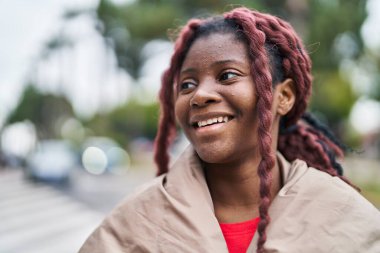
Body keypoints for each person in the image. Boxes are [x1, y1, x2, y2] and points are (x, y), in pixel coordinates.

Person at [79, 7, 380, 253]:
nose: (199, 95)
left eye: (227, 75)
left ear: (284, 97)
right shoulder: (133, 224)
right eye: (187, 84)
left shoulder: (342, 214)